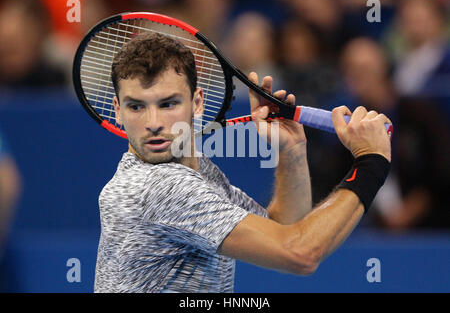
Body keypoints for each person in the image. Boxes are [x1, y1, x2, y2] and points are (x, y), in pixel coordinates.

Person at [94, 32, 392, 292]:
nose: (154, 123)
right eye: (136, 107)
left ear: (197, 103)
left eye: (168, 103)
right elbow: (300, 252)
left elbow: (284, 227)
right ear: (117, 110)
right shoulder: (160, 186)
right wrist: (370, 162)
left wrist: (291, 152)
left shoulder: (198, 173)